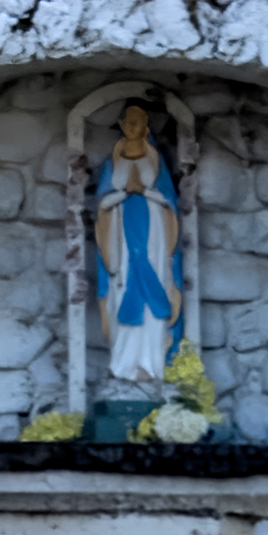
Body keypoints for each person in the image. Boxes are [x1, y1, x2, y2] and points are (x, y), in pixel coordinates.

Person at [90, 103, 189, 397]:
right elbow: (102, 203)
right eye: (129, 122)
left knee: (156, 286)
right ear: (121, 124)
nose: (133, 127)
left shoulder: (155, 161)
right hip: (120, 234)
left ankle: (153, 363)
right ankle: (124, 363)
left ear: (146, 127)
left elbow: (169, 202)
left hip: (155, 236)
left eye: (140, 122)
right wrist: (123, 192)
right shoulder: (113, 163)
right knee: (121, 288)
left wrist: (144, 191)